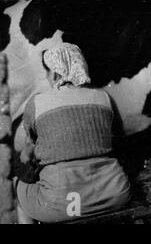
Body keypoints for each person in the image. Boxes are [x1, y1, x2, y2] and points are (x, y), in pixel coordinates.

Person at [14, 43, 130, 224]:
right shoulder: (104, 97)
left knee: (18, 188)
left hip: (63, 204)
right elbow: (116, 138)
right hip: (116, 194)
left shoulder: (37, 103)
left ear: (54, 73)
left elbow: (27, 144)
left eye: (47, 73)